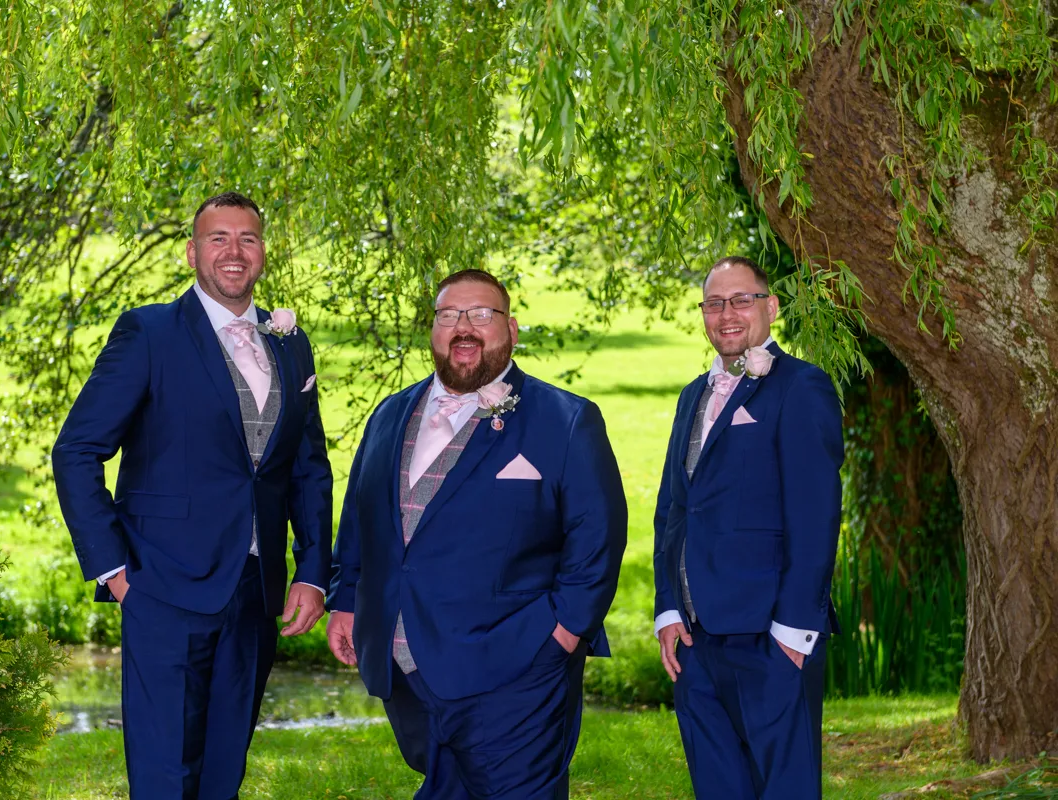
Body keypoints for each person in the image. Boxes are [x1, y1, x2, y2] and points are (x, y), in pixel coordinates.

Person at [52, 192, 332, 799]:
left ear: (261, 253)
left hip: (256, 591)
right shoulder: (149, 332)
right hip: (163, 585)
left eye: (248, 239)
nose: (234, 252)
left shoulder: (290, 342)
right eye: (218, 239)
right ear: (192, 252)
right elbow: (76, 451)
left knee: (222, 773)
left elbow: (308, 467)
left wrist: (312, 572)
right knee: (164, 776)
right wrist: (116, 571)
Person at [326, 268, 627, 798]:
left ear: (511, 328)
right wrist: (346, 601)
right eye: (449, 315)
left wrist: (565, 632)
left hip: (517, 667)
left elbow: (597, 538)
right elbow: (360, 522)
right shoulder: (390, 415)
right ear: (434, 329)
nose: (464, 326)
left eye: (481, 314)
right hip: (407, 669)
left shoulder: (567, 419)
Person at [652, 255, 843, 799]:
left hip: (771, 636)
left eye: (741, 300)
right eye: (714, 303)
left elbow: (816, 513)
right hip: (695, 640)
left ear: (771, 307)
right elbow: (673, 510)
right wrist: (668, 607)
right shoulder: (693, 394)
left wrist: (793, 630)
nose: (726, 313)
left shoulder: (801, 387)